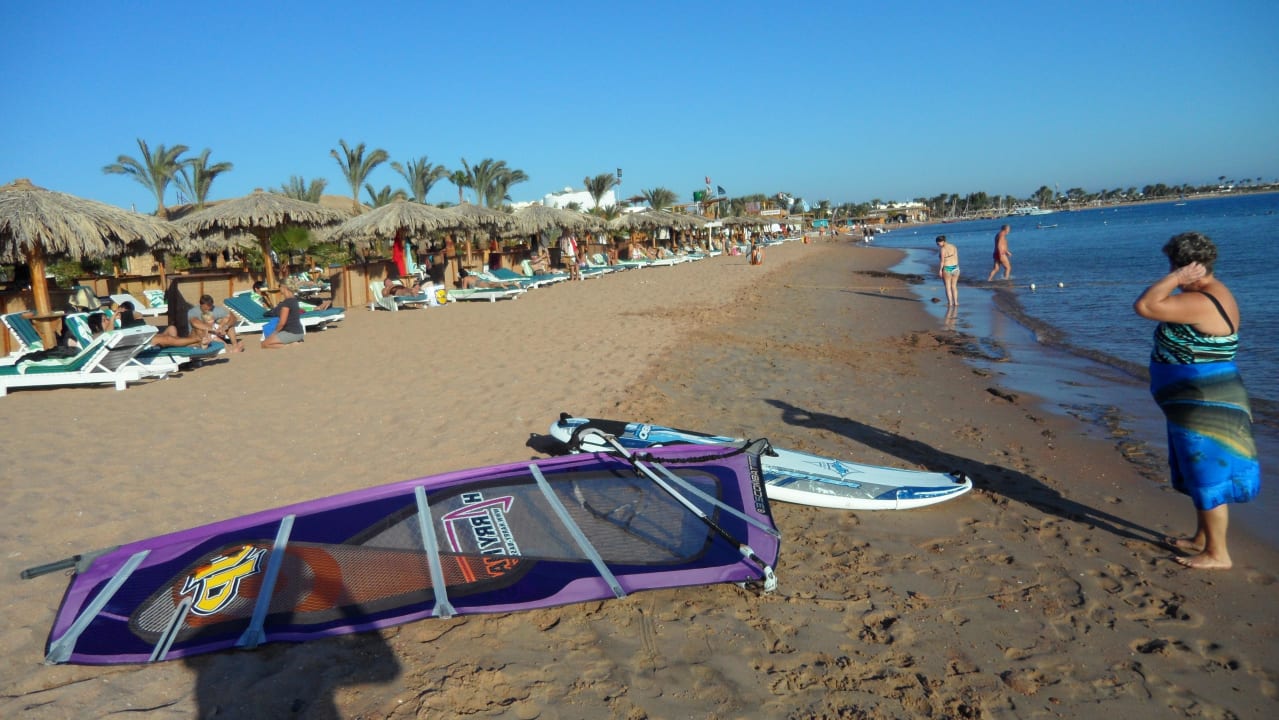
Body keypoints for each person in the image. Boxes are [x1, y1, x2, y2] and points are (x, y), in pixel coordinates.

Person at [1133, 231, 1260, 570]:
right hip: (1197, 398)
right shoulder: (1206, 294)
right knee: (1196, 468)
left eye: (1172, 265)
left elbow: (1145, 306)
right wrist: (1179, 279)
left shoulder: (1203, 300)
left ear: (1187, 266)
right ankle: (1202, 538)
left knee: (1207, 473)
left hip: (1205, 401)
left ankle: (1218, 554)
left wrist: (1175, 279)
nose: (1169, 271)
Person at [261, 280, 305, 349]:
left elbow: (282, 323)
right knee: (268, 342)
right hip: (299, 332)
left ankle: (289, 346)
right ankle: (293, 342)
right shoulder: (294, 300)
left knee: (264, 344)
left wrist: (273, 334)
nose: (279, 288)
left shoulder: (286, 303)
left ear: (284, 287)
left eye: (279, 286)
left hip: (292, 333)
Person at [936, 235, 960, 306]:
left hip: (947, 268)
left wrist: (940, 270)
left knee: (948, 287)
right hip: (956, 268)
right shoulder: (953, 246)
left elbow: (942, 261)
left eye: (938, 243)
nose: (938, 245)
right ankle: (956, 302)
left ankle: (950, 303)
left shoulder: (943, 249)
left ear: (942, 241)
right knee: (954, 286)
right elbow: (956, 257)